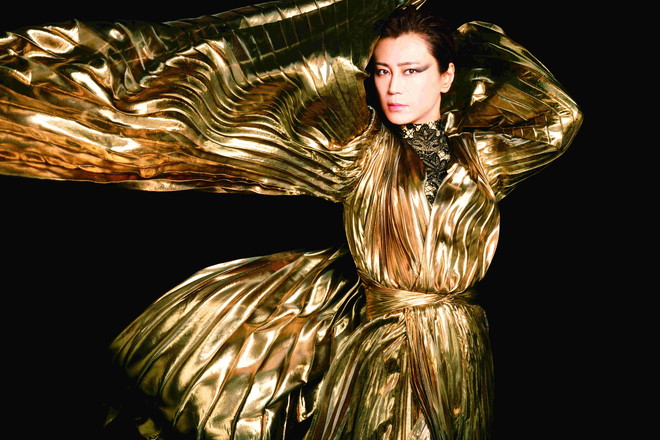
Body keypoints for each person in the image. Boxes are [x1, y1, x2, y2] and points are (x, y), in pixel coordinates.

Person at [0, 0, 582, 438]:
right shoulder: (360, 152)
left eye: (411, 71)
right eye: (382, 71)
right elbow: (231, 106)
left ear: (447, 76)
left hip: (459, 348)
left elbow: (562, 116)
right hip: (382, 349)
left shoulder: (483, 157)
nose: (392, 87)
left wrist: (481, 42)